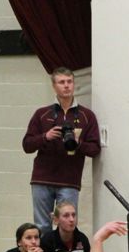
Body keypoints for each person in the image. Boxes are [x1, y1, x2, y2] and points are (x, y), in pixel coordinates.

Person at [21, 68, 102, 233]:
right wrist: (45, 136)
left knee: (67, 226)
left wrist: (78, 143)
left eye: (69, 81)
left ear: (74, 84)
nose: (66, 86)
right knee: (42, 226)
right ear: (54, 86)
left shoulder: (87, 116)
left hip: (69, 181)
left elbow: (95, 149)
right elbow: (27, 145)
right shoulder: (42, 114)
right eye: (62, 82)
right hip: (42, 179)